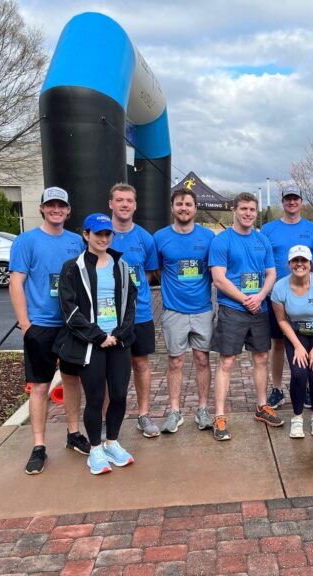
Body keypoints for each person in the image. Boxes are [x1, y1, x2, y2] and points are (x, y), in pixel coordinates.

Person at [9, 187, 89, 475]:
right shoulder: (26, 241)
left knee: (71, 380)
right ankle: (39, 446)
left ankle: (73, 434)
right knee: (40, 386)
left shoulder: (76, 242)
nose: (56, 210)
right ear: (42, 208)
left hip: (71, 325)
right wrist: (25, 324)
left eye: (61, 206)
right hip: (40, 325)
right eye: (51, 205)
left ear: (68, 211)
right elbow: (16, 282)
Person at [55, 213, 137, 475]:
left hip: (118, 342)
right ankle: (95, 449)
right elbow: (69, 310)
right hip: (91, 343)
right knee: (95, 397)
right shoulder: (72, 267)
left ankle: (111, 442)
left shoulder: (120, 265)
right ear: (86, 235)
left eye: (107, 234)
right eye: (98, 233)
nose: (103, 238)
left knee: (120, 395)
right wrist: (99, 336)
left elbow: (130, 304)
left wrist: (119, 334)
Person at [209, 192, 281, 440]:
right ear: (234, 210)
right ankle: (219, 415)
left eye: (252, 209)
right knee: (227, 362)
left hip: (259, 308)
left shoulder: (263, 241)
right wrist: (244, 298)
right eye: (244, 209)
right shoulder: (222, 240)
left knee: (261, 357)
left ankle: (262, 407)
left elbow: (271, 273)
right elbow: (219, 278)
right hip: (233, 309)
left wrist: (260, 296)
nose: (248, 213)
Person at [154, 188, 216, 434]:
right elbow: (157, 270)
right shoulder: (160, 237)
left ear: (195, 208)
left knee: (202, 360)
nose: (184, 208)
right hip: (173, 311)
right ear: (172, 207)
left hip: (202, 310)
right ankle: (175, 411)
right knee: (175, 361)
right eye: (179, 204)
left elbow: (215, 271)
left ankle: (202, 409)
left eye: (188, 204)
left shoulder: (209, 237)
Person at [261, 185, 313, 409]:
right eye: (288, 199)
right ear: (283, 202)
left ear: (301, 201)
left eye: (295, 198)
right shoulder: (268, 229)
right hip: (278, 297)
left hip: (305, 298)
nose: (292, 202)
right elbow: (263, 261)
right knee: (277, 344)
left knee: (306, 343)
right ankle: (277, 389)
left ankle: (304, 386)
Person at [107, 183, 160, 437]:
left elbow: (148, 273)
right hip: (108, 317)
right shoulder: (102, 234)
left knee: (141, 363)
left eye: (129, 200)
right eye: (120, 200)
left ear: (135, 205)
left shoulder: (145, 238)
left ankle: (144, 414)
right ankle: (108, 420)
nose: (124, 204)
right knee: (110, 367)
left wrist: (130, 296)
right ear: (111, 204)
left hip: (139, 314)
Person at [270, 245, 313, 438]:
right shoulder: (280, 287)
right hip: (296, 332)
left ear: (310, 263)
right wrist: (297, 346)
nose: (300, 264)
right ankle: (297, 418)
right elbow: (282, 320)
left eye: (303, 260)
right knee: (298, 374)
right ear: (289, 264)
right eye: (295, 261)